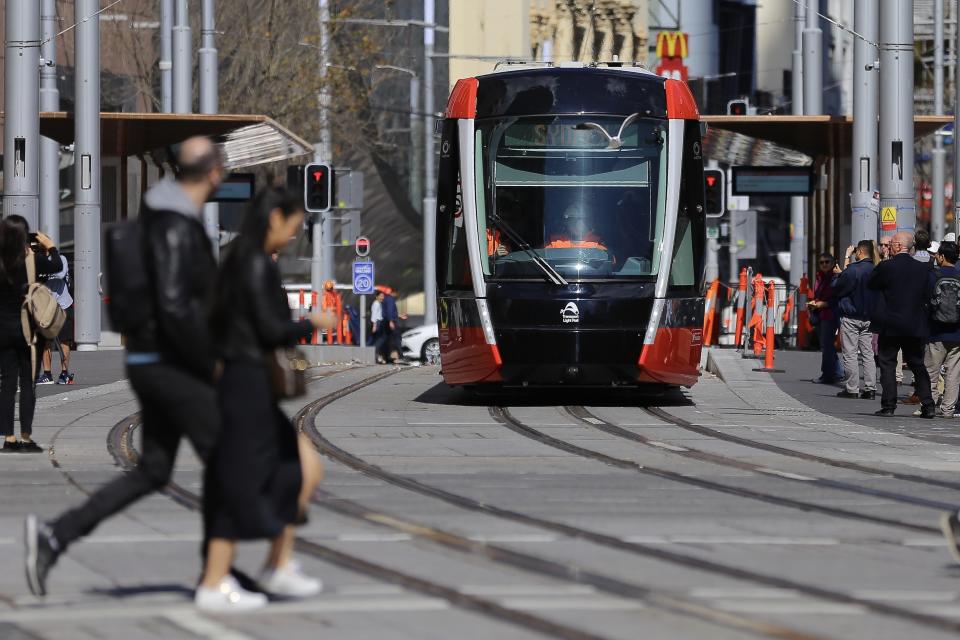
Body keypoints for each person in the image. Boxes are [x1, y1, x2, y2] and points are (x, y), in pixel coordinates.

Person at [25, 136, 226, 596]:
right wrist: (213, 363)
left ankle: (55, 536)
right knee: (229, 459)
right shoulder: (177, 225)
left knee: (154, 470)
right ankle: (218, 579)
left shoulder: (161, 215)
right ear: (213, 172)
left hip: (151, 361)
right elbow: (177, 308)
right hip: (173, 366)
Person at [199, 186, 327, 611]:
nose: (292, 236)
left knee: (301, 467)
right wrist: (311, 322)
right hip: (245, 386)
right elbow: (270, 329)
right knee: (242, 483)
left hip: (243, 384)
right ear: (275, 219)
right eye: (292, 227)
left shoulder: (240, 260)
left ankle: (278, 564)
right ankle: (217, 582)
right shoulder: (255, 265)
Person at [0, 218, 63, 453]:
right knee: (28, 383)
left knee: (6, 384)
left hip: (2, 332)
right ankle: (26, 438)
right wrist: (50, 246)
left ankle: (9, 438)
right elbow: (57, 265)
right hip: (28, 332)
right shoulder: (32, 261)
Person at [868, 231, 936, 418]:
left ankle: (889, 405)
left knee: (888, 363)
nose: (889, 247)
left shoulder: (886, 267)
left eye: (891, 244)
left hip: (890, 324)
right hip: (914, 324)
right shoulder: (923, 269)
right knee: (917, 364)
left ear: (898, 246)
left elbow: (871, 284)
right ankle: (928, 405)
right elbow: (929, 293)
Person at [834, 241, 877, 399]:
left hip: (851, 316)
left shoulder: (853, 270)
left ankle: (852, 388)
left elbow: (839, 287)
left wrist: (846, 257)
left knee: (850, 353)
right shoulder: (875, 270)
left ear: (859, 252)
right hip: (868, 318)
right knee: (867, 353)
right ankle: (870, 388)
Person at [923, 241, 960, 419]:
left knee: (931, 371)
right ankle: (948, 410)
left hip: (936, 332)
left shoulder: (933, 276)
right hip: (957, 333)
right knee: (953, 374)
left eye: (938, 255)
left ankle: (928, 406)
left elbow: (925, 302)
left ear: (942, 257)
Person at [37, 254, 75, 386]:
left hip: (63, 305)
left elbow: (60, 274)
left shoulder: (61, 258)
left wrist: (43, 272)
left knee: (64, 340)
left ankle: (64, 373)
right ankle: (47, 374)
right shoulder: (38, 259)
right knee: (45, 341)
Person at [808, 252, 844, 384]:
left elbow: (838, 297)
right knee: (827, 346)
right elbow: (819, 293)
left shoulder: (835, 276)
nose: (824, 264)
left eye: (826, 262)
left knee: (827, 345)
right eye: (821, 262)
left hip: (830, 314)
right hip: (821, 313)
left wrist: (824, 304)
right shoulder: (820, 276)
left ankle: (828, 374)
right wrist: (815, 303)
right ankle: (837, 372)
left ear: (833, 262)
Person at [370, 290, 387, 363]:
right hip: (377, 323)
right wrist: (374, 325)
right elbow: (374, 314)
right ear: (377, 296)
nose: (382, 298)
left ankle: (377, 356)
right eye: (381, 296)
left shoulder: (379, 303)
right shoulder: (376, 304)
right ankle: (375, 354)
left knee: (379, 339)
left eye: (383, 296)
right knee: (381, 339)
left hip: (379, 322)